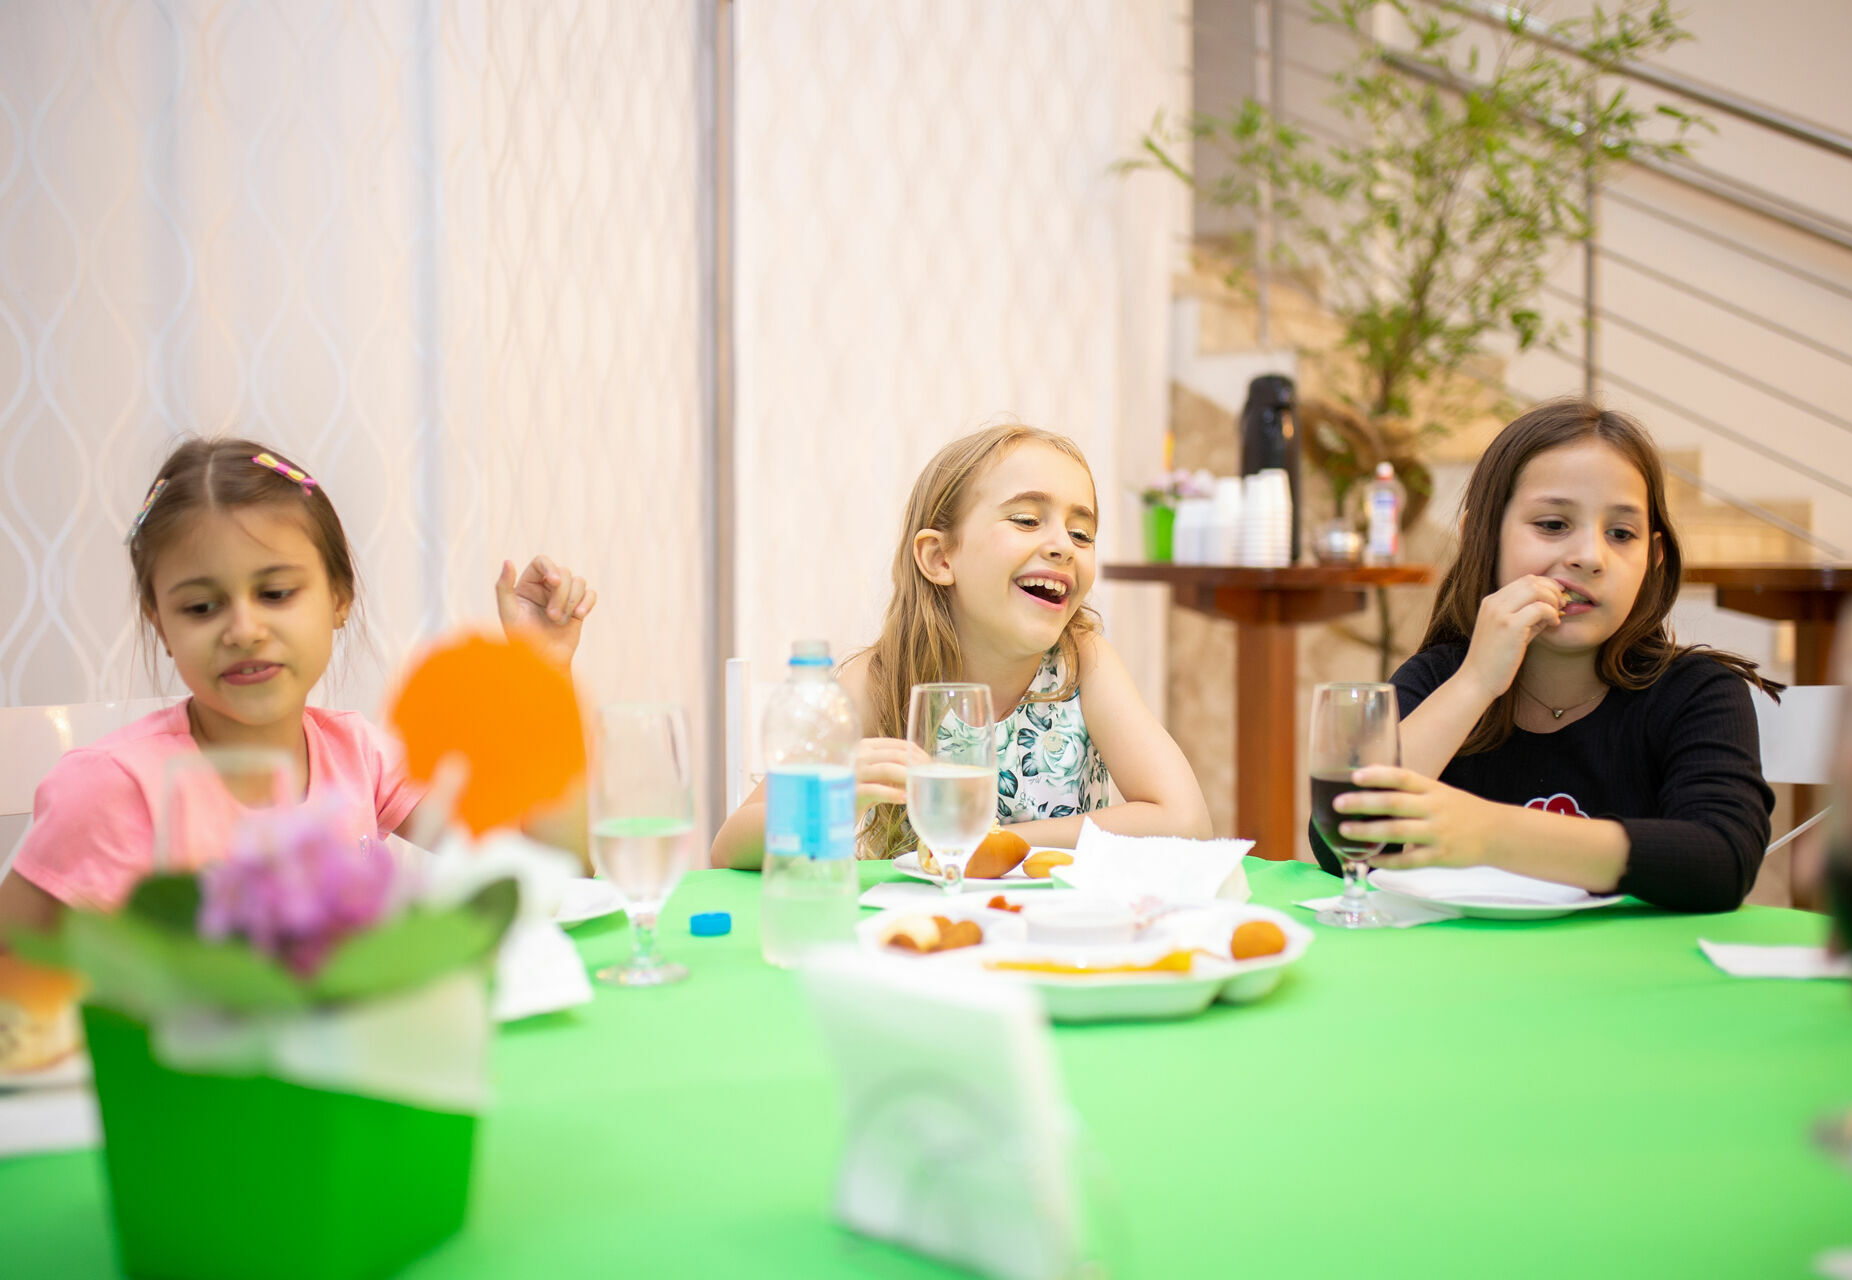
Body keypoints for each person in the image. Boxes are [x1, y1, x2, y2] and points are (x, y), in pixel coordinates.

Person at [0, 437, 595, 930]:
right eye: (202, 607)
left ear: (339, 597)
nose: (243, 629)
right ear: (160, 623)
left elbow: (551, 871)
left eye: (276, 593)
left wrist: (543, 673)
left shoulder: (359, 756)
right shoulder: (110, 788)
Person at [1314, 398, 1776, 912]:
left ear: (1653, 557)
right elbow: (1343, 842)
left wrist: (1492, 833)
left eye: (1621, 534)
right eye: (1553, 524)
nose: (1589, 557)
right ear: (1480, 538)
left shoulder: (1697, 693)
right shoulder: (1443, 678)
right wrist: (1475, 683)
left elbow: (1722, 860)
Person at [712, 423, 1210, 869]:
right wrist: (831, 797)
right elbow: (730, 847)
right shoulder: (880, 679)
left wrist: (989, 845)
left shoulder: (1084, 663)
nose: (1063, 545)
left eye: (1081, 533)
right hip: (918, 933)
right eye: (1026, 520)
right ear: (940, 558)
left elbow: (1187, 822)